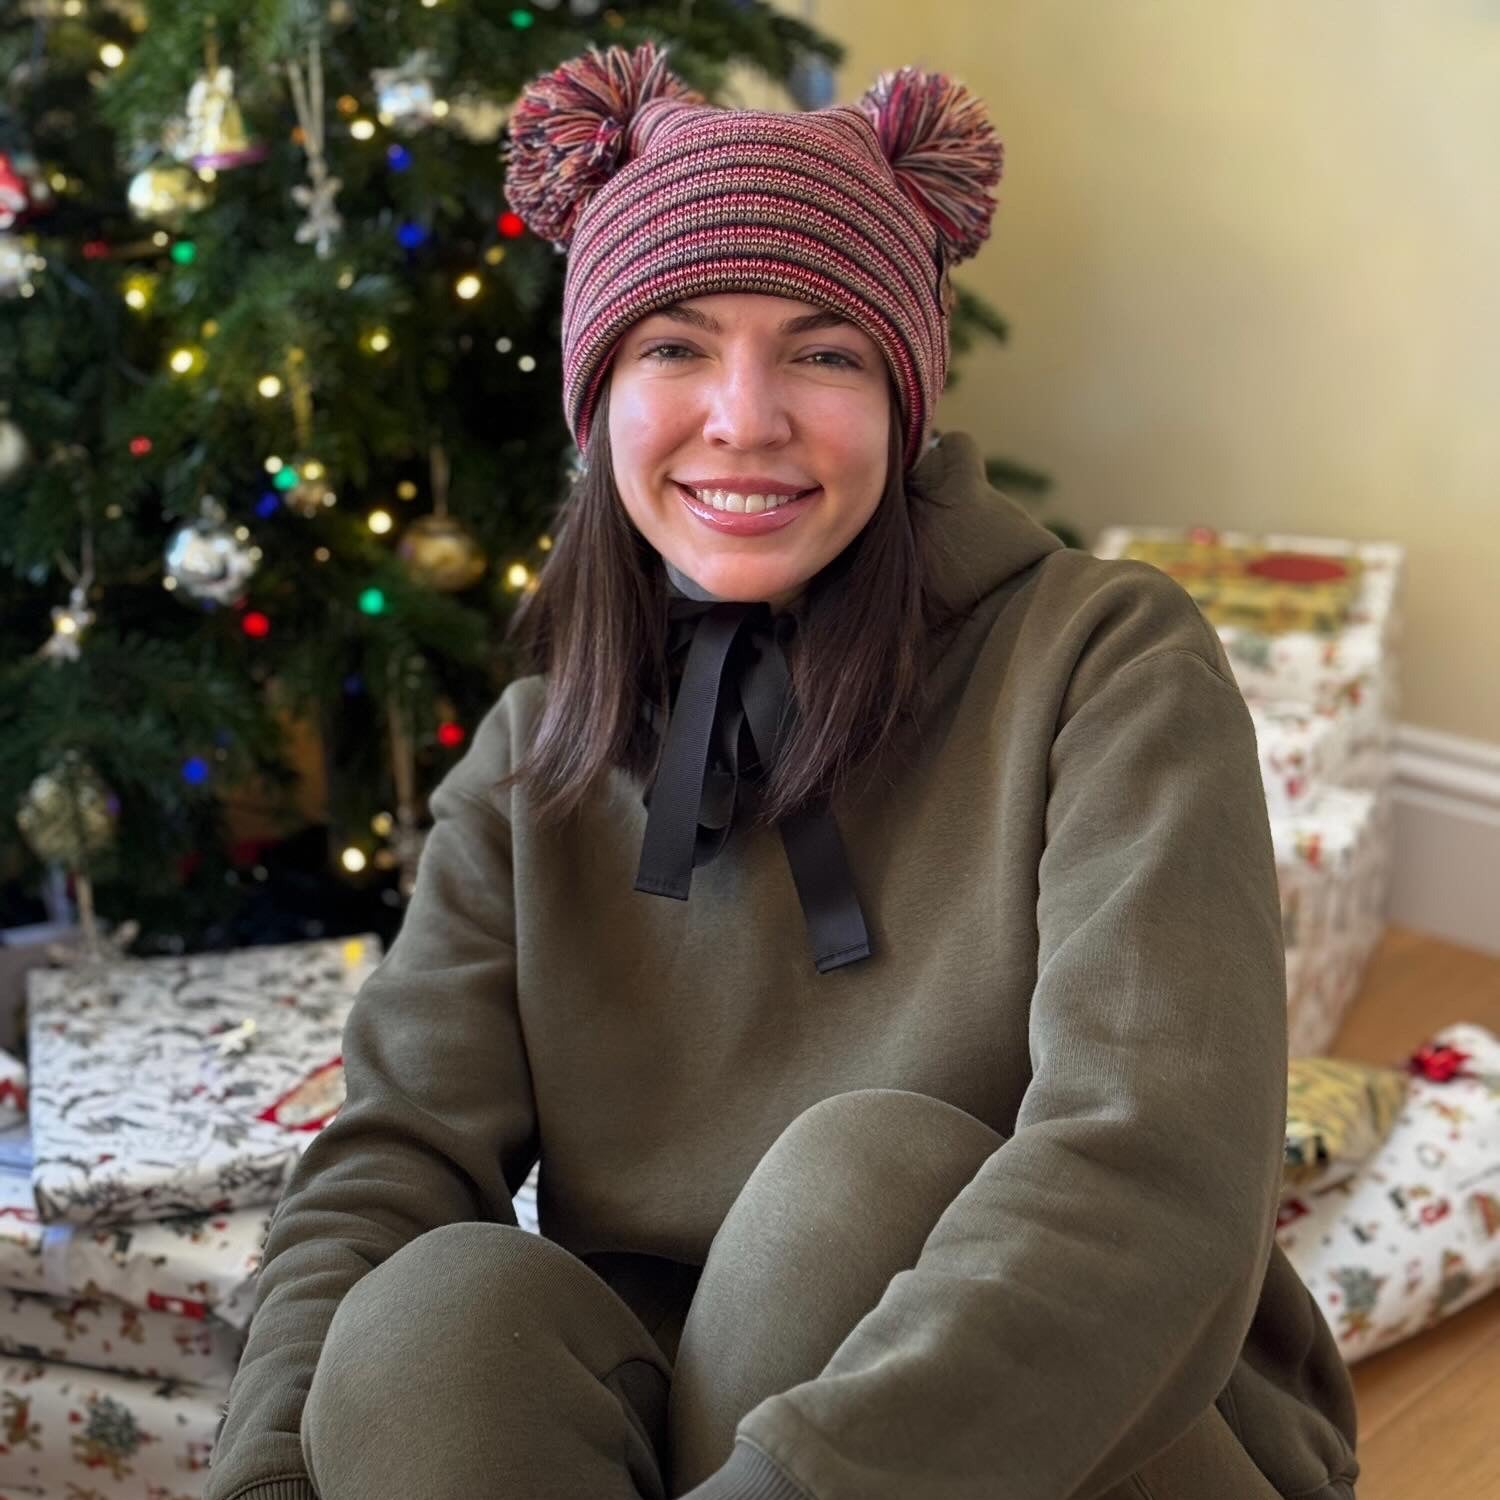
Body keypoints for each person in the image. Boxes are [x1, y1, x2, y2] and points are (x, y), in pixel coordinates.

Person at [204, 40, 1361, 1500]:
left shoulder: (1105, 660)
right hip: (671, 1409)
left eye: (822, 350)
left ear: (904, 394)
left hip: (1081, 1413)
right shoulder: (530, 756)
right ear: (599, 395)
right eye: (674, 345)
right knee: (433, 1319)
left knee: (847, 1195)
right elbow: (385, 1170)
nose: (744, 417)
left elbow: (1157, 1173)